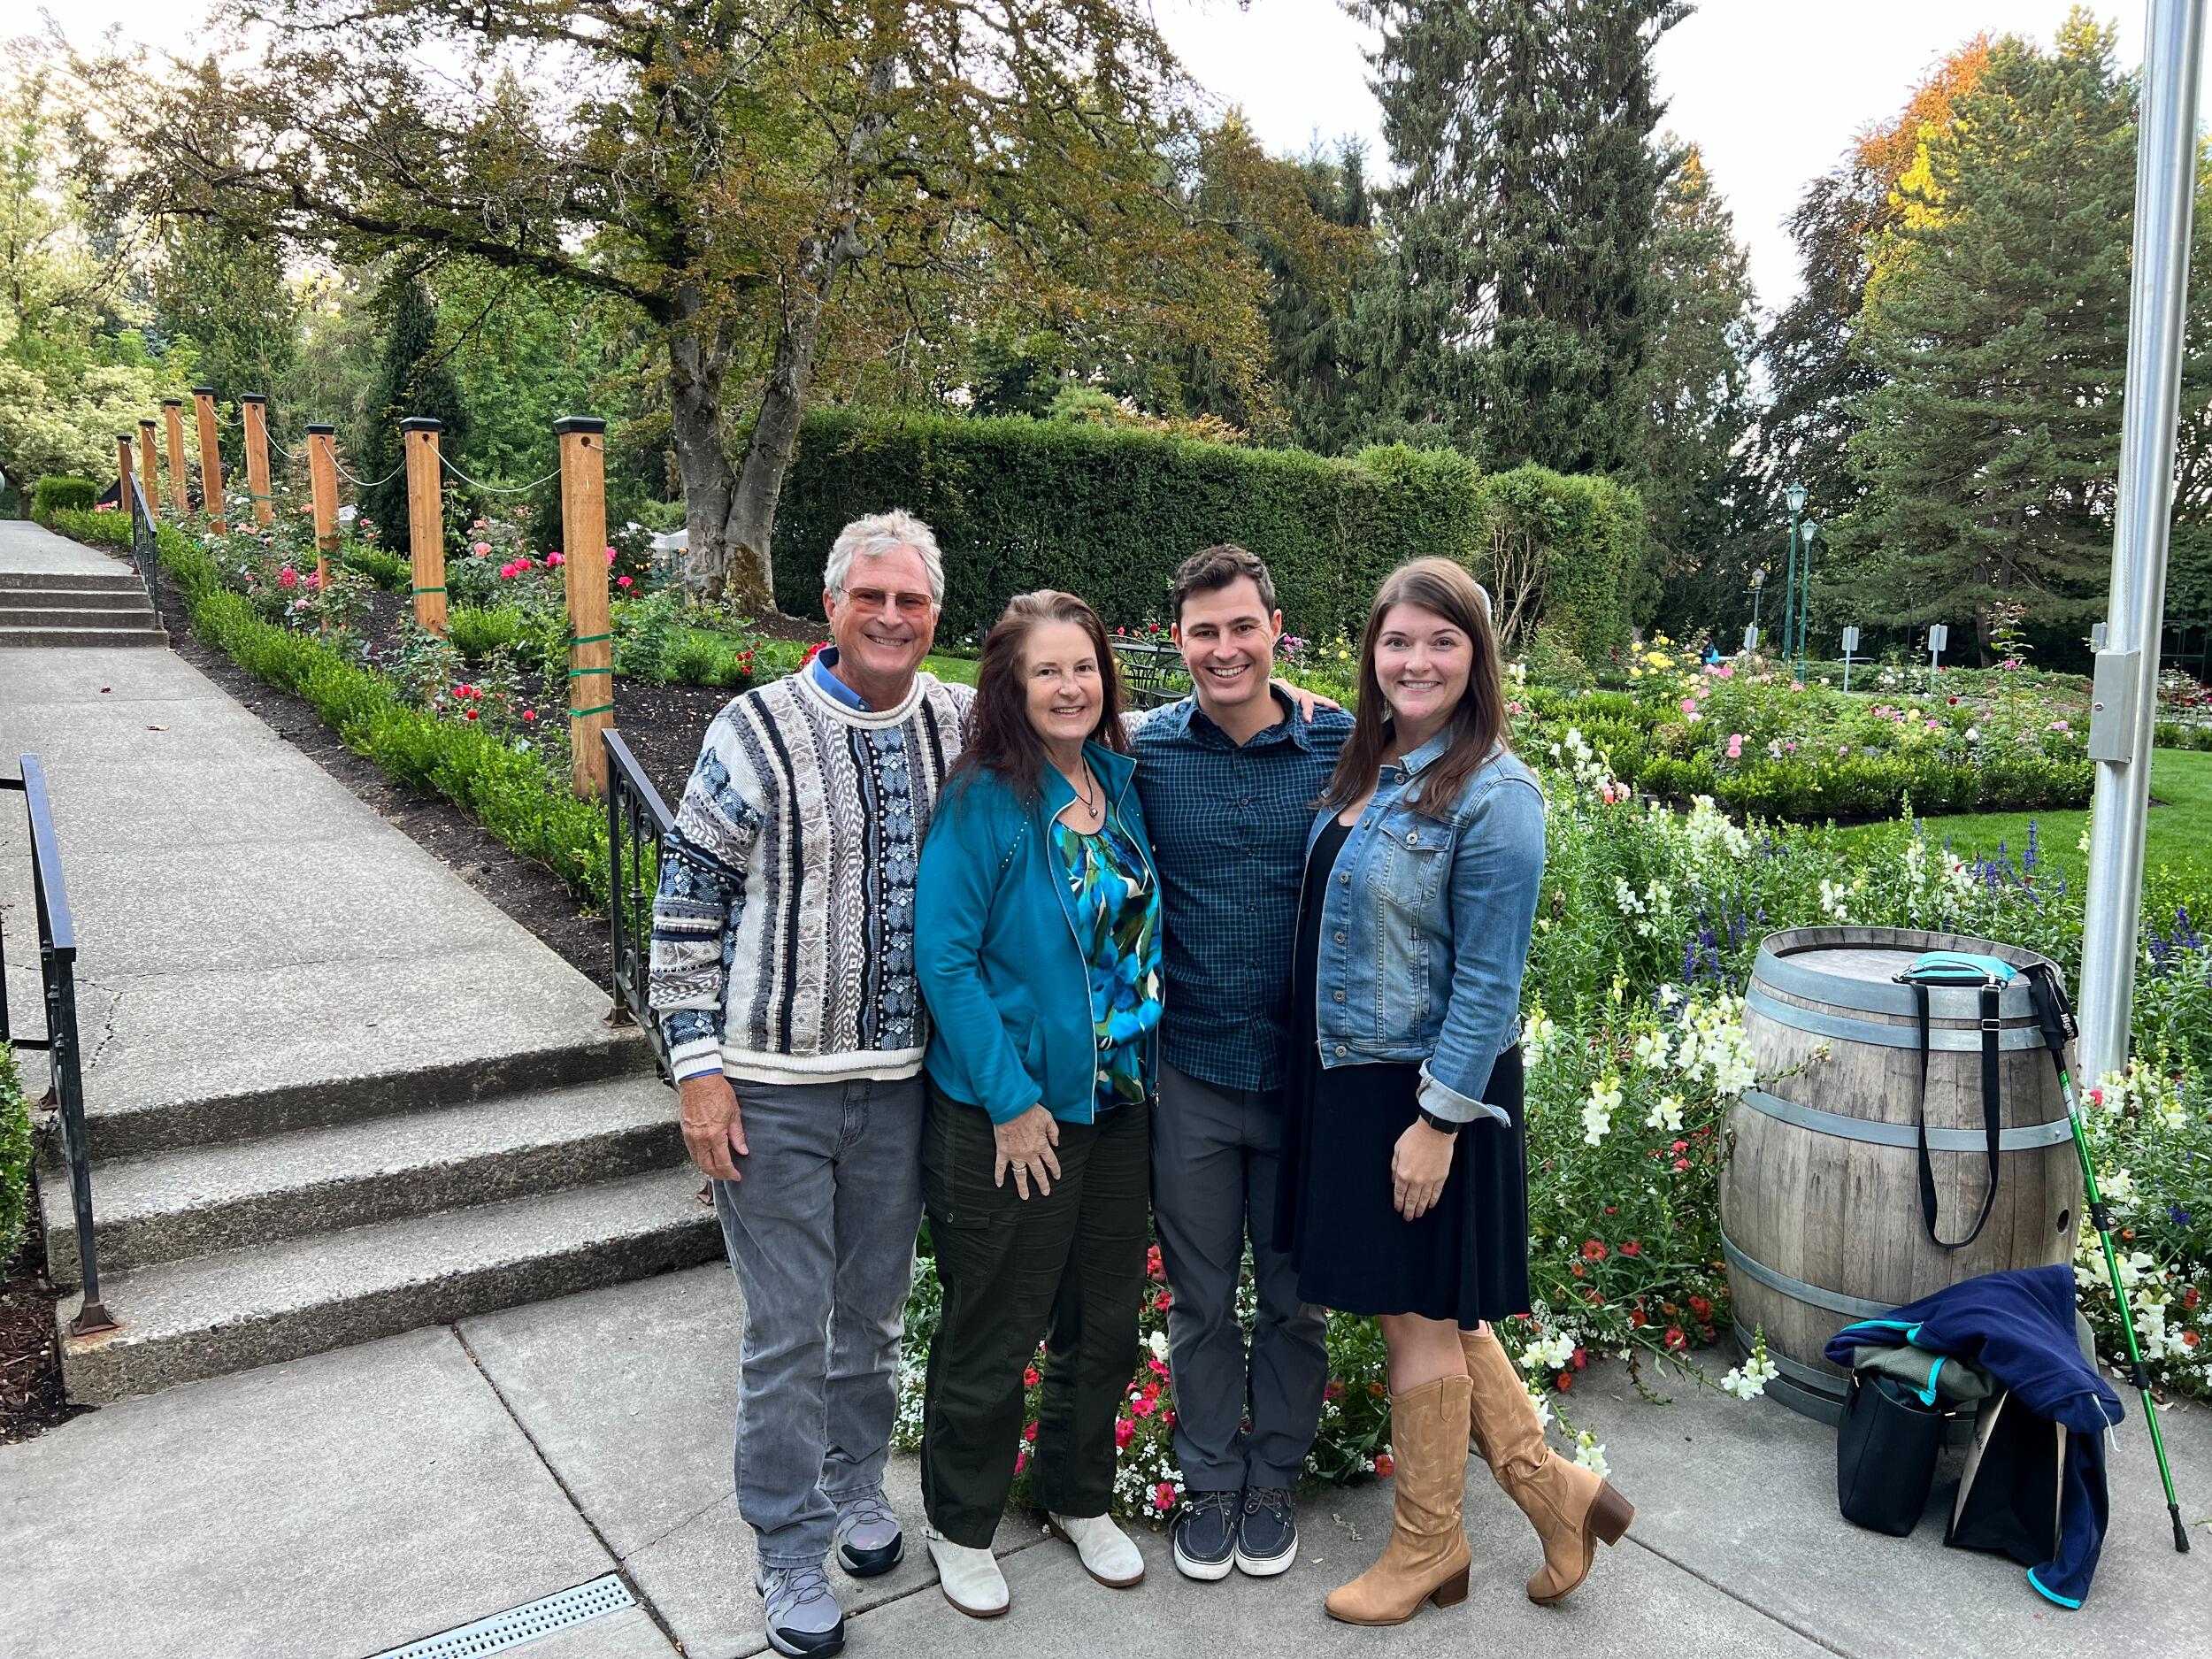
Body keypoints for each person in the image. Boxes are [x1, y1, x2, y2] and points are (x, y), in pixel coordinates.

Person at [1274, 557, 1635, 1626]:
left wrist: (1434, 1122)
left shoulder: (1495, 791)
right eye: (1396, 641)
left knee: (1416, 1322)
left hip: (1425, 1090)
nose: (1415, 659)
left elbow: (1488, 980)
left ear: (1476, 657)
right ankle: (1552, 1489)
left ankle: (1428, 1547)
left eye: (1441, 641)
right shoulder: (1375, 762)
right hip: (1350, 1076)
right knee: (1419, 1304)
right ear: (1371, 655)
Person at [649, 509, 972, 1659]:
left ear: (936, 613)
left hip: (900, 1087)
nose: (891, 616)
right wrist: (697, 1073)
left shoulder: (961, 723)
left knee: (873, 1315)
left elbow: (1083, 741)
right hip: (771, 1089)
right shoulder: (757, 730)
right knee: (787, 1329)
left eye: (913, 600)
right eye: (870, 595)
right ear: (830, 605)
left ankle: (853, 1478)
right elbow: (685, 907)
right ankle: (784, 1541)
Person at [912, 591, 1162, 1619]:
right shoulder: (985, 801)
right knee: (996, 1324)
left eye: (1085, 668)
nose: (1071, 686)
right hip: (1013, 1120)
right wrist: (1013, 1103)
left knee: (1103, 1320)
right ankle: (958, 1525)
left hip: (1118, 1107)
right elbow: (946, 958)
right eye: (1047, 671)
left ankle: (1077, 1497)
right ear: (1012, 690)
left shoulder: (1115, 776)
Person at [1131, 545, 1351, 1582]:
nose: (1223, 649)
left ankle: (1276, 1478)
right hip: (1194, 1079)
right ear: (1176, 639)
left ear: (1276, 629)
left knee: (1296, 1300)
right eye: (1202, 631)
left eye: (1241, 628)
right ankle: (1211, 1484)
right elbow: (1022, 736)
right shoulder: (1140, 753)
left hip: (1308, 1083)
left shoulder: (1342, 747)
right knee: (1201, 1300)